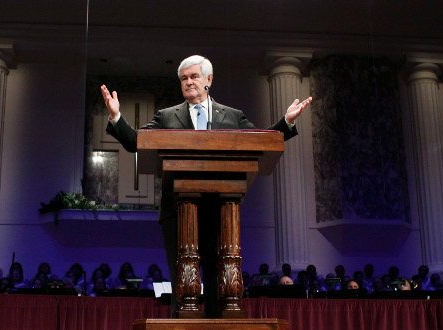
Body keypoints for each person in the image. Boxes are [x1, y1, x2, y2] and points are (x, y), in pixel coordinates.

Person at [101, 55, 312, 318]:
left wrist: (287, 122)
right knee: (182, 274)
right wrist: (116, 116)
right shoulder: (167, 116)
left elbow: (260, 142)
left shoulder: (232, 116)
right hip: (177, 210)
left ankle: (216, 322)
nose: (188, 82)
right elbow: (136, 142)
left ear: (208, 80)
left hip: (221, 208)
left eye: (194, 77)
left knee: (217, 275)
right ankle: (182, 323)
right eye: (183, 79)